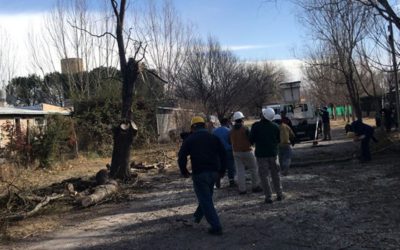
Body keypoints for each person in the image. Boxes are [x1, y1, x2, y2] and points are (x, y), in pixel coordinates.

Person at [178, 116, 226, 235]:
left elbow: (181, 157)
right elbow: (223, 154)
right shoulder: (213, 137)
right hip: (214, 173)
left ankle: (216, 226)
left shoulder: (190, 139)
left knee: (205, 199)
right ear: (204, 126)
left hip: (200, 174)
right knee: (207, 197)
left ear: (193, 127)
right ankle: (196, 218)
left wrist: (184, 171)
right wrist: (222, 171)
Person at [250, 108, 284, 203]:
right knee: (276, 175)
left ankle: (268, 197)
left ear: (263, 115)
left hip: (261, 155)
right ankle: (279, 194)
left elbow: (251, 140)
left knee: (264, 176)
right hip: (273, 154)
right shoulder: (275, 126)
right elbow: (278, 140)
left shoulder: (255, 126)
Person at [230, 111, 261, 195]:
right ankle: (255, 186)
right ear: (242, 119)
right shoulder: (245, 128)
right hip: (247, 151)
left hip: (236, 152)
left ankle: (242, 189)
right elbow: (250, 139)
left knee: (240, 171)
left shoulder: (231, 130)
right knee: (254, 169)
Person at [213, 118, 236, 187]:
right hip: (228, 150)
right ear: (227, 123)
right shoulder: (229, 131)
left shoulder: (215, 131)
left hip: (218, 151)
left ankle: (218, 181)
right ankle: (231, 181)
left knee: (219, 166)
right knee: (230, 166)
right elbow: (231, 141)